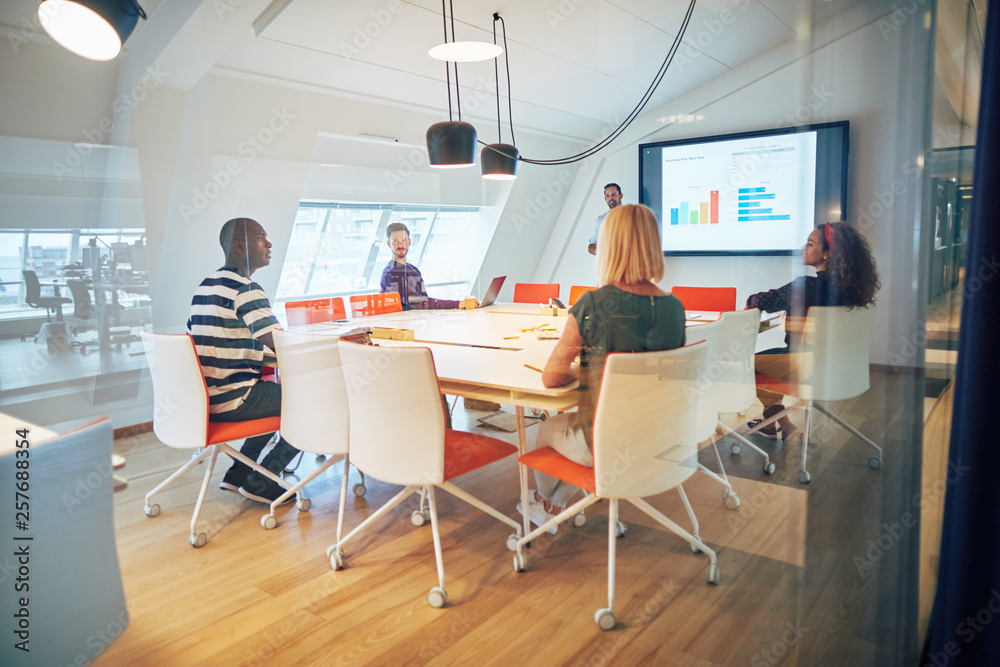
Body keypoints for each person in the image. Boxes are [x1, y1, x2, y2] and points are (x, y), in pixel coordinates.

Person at [521, 203, 686, 532]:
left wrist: (586, 371)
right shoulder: (674, 308)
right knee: (578, 430)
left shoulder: (593, 304)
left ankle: (543, 505)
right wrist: (601, 371)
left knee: (545, 429)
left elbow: (551, 377)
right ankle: (552, 506)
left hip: (607, 445)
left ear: (608, 248)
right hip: (663, 438)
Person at [187, 217, 300, 504]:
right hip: (237, 398)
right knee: (313, 400)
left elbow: (212, 343)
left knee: (276, 396)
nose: (269, 243)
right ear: (239, 245)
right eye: (262, 238)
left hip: (207, 400)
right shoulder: (245, 289)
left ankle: (239, 473)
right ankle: (264, 480)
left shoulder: (205, 287)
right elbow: (282, 344)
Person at [744, 221, 880, 439]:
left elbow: (758, 300)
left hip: (806, 365)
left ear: (827, 253)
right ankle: (772, 425)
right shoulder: (855, 292)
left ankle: (779, 422)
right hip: (844, 368)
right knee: (769, 358)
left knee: (750, 364)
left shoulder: (806, 286)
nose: (803, 248)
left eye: (810, 244)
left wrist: (757, 303)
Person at [380, 222, 461, 310]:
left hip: (417, 320)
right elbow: (419, 302)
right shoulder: (391, 273)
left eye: (404, 240)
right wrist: (457, 304)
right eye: (395, 241)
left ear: (409, 242)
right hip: (400, 322)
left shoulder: (413, 270)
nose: (400, 245)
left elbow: (424, 301)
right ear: (389, 244)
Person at [587, 183, 623, 255]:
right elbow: (591, 247)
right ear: (605, 198)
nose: (610, 198)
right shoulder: (600, 220)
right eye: (607, 196)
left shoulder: (633, 216)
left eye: (613, 194)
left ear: (620, 196)